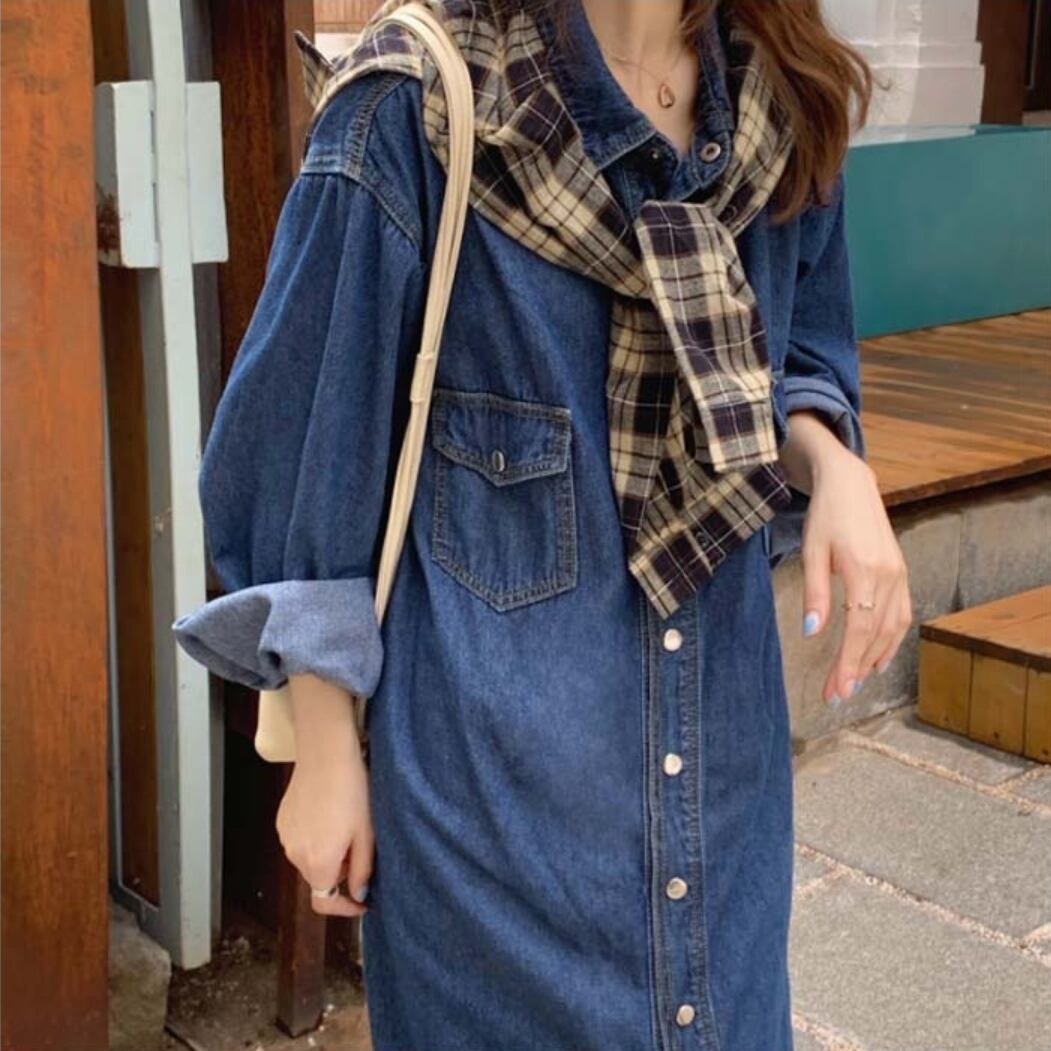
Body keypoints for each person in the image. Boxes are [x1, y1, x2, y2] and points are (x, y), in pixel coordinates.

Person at [173, 0, 912, 1047]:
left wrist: (832, 463)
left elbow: (796, 358)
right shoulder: (415, 110)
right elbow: (303, 455)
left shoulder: (783, 103)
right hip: (492, 840)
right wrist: (324, 749)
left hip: (723, 802)